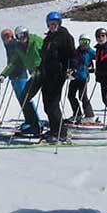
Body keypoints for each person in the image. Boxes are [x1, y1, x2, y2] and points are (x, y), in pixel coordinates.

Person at [0, 26, 43, 136]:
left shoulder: (19, 44)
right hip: (25, 74)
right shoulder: (16, 46)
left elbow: (18, 61)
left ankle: (36, 123)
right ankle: (32, 123)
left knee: (26, 98)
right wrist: (4, 74)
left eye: (8, 36)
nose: (6, 38)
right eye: (4, 36)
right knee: (24, 98)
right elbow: (13, 61)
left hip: (24, 74)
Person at [39, 11, 76, 142]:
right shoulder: (48, 38)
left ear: (59, 23)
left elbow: (72, 54)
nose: (53, 25)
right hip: (46, 75)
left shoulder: (64, 36)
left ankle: (61, 133)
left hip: (58, 74)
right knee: (46, 104)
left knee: (53, 104)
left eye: (55, 23)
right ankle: (54, 130)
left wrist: (72, 69)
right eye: (50, 24)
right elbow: (43, 57)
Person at [66, 33, 96, 124]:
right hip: (74, 77)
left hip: (83, 77)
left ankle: (89, 115)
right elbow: (70, 61)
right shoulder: (76, 51)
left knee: (82, 96)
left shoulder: (90, 52)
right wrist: (69, 71)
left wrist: (93, 67)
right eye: (82, 41)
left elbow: (99, 57)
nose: (84, 44)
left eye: (86, 42)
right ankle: (77, 114)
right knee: (70, 95)